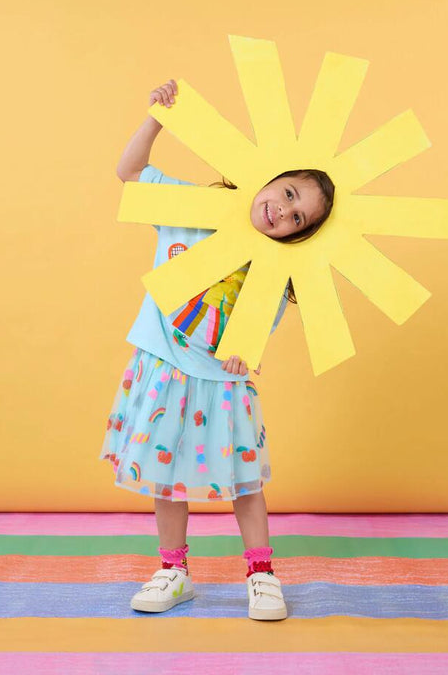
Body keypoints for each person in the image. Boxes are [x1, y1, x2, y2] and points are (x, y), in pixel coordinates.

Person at [99, 79, 335, 621]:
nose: (285, 211)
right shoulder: (194, 209)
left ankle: (261, 573)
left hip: (220, 383)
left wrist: (243, 355)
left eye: (299, 218)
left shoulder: (273, 269)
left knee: (243, 482)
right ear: (269, 180)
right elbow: (129, 173)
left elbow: (253, 336)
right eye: (290, 194)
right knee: (165, 479)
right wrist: (158, 117)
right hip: (162, 367)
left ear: (298, 237)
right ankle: (173, 570)